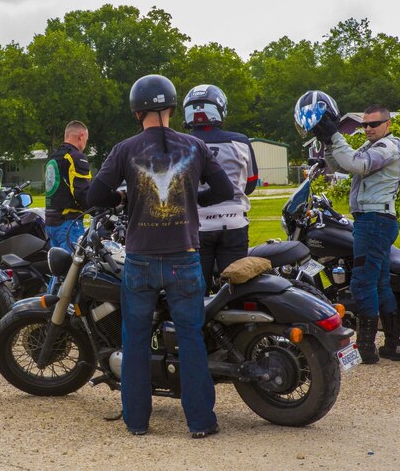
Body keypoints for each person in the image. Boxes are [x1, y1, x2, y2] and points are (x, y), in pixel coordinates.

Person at [88, 74, 233, 438]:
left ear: (138, 111)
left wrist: (120, 199)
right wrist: (194, 200)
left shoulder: (125, 149)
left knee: (134, 340)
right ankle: (201, 422)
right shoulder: (195, 146)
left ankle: (136, 422)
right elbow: (225, 188)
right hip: (185, 258)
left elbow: (95, 195)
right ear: (171, 108)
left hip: (139, 260)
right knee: (191, 338)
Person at [296, 93, 400, 363]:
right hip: (373, 221)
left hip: (374, 222)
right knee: (380, 283)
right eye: (365, 125)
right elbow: (342, 164)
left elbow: (358, 166)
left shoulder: (387, 148)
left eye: (375, 124)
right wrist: (328, 142)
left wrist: (335, 136)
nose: (368, 129)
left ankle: (366, 348)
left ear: (387, 124)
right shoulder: (373, 146)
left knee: (363, 282)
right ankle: (392, 345)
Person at [183, 84, 258, 292]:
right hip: (234, 224)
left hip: (197, 227)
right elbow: (250, 183)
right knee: (235, 289)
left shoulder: (182, 144)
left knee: (196, 291)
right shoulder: (240, 141)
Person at [44, 120, 91, 252]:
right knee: (72, 270)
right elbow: (82, 193)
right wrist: (100, 206)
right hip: (69, 225)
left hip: (51, 223)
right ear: (81, 136)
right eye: (86, 140)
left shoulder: (53, 157)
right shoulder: (75, 157)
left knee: (58, 268)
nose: (84, 144)